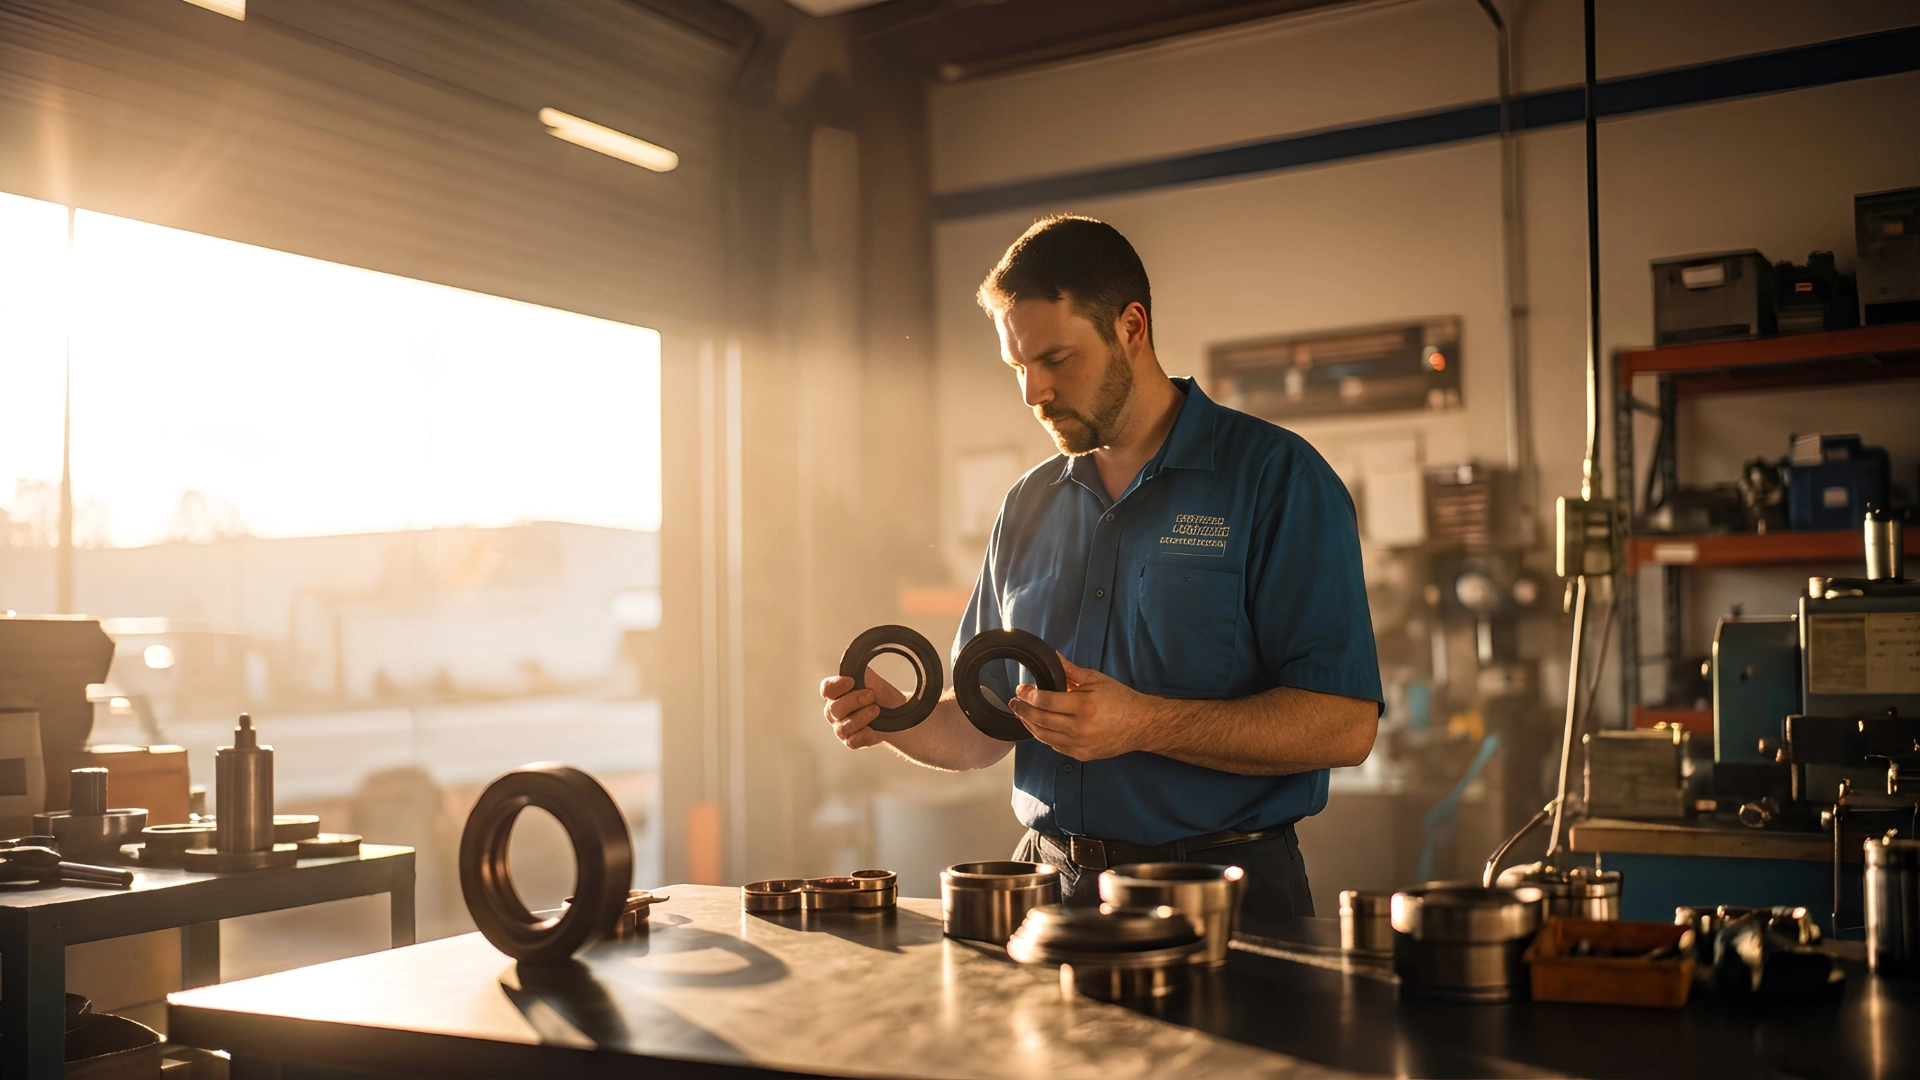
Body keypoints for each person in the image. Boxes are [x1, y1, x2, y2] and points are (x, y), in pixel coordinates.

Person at [819, 215, 1381, 923]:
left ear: (1132, 327)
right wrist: (893, 716)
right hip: (1048, 891)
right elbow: (984, 725)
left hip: (1222, 896)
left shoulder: (1277, 479)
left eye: (1056, 359)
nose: (1033, 392)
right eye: (1018, 366)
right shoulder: (1027, 504)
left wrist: (1143, 724)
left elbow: (1344, 727)